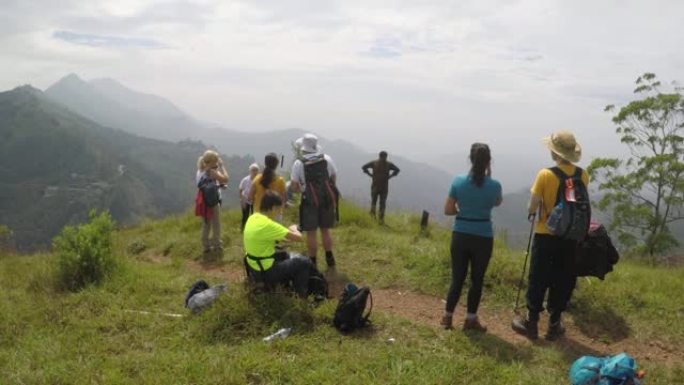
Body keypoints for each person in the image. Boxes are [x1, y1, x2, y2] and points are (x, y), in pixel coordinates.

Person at [511, 130, 589, 341]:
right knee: (563, 277)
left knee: (538, 276)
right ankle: (554, 324)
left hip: (546, 234)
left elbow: (533, 205)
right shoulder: (582, 175)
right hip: (570, 237)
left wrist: (532, 211)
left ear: (555, 152)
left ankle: (531, 322)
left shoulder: (545, 174)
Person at [440, 143, 502, 332]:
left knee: (457, 278)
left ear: (470, 159)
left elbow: (448, 210)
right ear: (488, 162)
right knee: (477, 280)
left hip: (460, 235)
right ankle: (470, 319)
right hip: (483, 237)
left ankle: (447, 317)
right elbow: (497, 202)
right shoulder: (495, 185)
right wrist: (489, 177)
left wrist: (462, 209)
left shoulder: (458, 181)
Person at [243, 190, 316, 297]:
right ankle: (301, 297)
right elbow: (298, 238)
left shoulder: (253, 218)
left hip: (253, 267)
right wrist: (294, 228)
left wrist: (287, 233)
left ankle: (282, 288)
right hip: (266, 271)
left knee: (285, 255)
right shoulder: (269, 224)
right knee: (303, 262)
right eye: (279, 209)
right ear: (273, 208)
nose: (280, 212)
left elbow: (278, 237)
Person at [290, 133, 339, 268]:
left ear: (303, 147)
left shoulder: (299, 163)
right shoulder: (326, 159)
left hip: (309, 202)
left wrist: (304, 189)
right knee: (325, 230)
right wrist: (327, 188)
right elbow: (334, 176)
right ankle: (330, 258)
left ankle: (313, 262)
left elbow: (294, 187)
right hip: (327, 200)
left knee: (311, 232)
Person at [195, 150, 229, 253]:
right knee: (216, 224)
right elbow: (226, 179)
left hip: (203, 201)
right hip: (213, 201)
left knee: (206, 224)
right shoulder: (212, 172)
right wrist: (222, 166)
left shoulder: (200, 171)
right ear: (211, 162)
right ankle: (217, 245)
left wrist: (218, 185)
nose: (217, 163)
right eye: (216, 161)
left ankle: (206, 246)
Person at [362, 151, 400, 224]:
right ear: (383, 156)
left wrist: (370, 174)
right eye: (384, 157)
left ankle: (378, 219)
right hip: (381, 187)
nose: (384, 159)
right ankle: (378, 219)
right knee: (378, 203)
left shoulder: (375, 163)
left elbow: (364, 167)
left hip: (377, 186)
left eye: (385, 157)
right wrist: (390, 176)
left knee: (378, 203)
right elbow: (397, 170)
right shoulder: (387, 164)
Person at [238, 163, 260, 232]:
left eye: (256, 170)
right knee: (245, 215)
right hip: (246, 200)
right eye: (253, 170)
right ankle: (243, 229)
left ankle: (253, 229)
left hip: (255, 201)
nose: (255, 172)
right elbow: (241, 190)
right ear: (250, 171)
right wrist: (242, 200)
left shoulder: (259, 180)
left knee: (255, 216)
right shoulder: (245, 180)